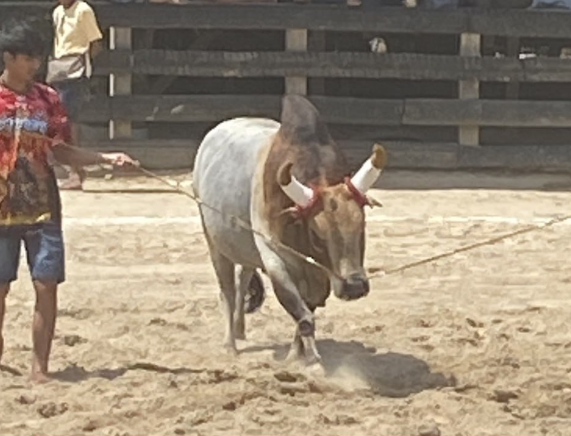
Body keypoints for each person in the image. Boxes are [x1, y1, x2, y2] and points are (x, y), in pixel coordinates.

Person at [0, 17, 137, 383]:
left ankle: (40, 367)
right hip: (1, 210)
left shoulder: (48, 99)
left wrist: (104, 158)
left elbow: (60, 150)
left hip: (44, 207)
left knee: (46, 286)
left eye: (37, 58)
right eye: (28, 58)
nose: (35, 65)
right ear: (9, 57)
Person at [47, 0, 103, 190]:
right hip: (59, 66)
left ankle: (76, 171)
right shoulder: (58, 12)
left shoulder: (83, 10)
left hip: (75, 68)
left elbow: (95, 42)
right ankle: (72, 168)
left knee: (69, 121)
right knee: (60, 119)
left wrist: (83, 66)